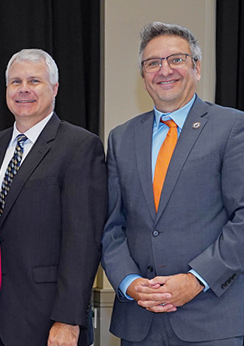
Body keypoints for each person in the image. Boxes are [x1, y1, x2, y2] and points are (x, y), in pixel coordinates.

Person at [101, 22, 244, 345]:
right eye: (153, 63)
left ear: (197, 68)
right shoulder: (121, 138)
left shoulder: (233, 127)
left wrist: (197, 279)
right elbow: (111, 225)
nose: (164, 70)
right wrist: (128, 281)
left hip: (212, 321)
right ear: (143, 76)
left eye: (176, 59)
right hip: (140, 322)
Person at [0, 49, 107, 346]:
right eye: (15, 82)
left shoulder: (80, 146)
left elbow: (83, 241)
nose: (23, 89)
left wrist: (68, 320)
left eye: (34, 81)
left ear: (54, 88)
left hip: (49, 321)